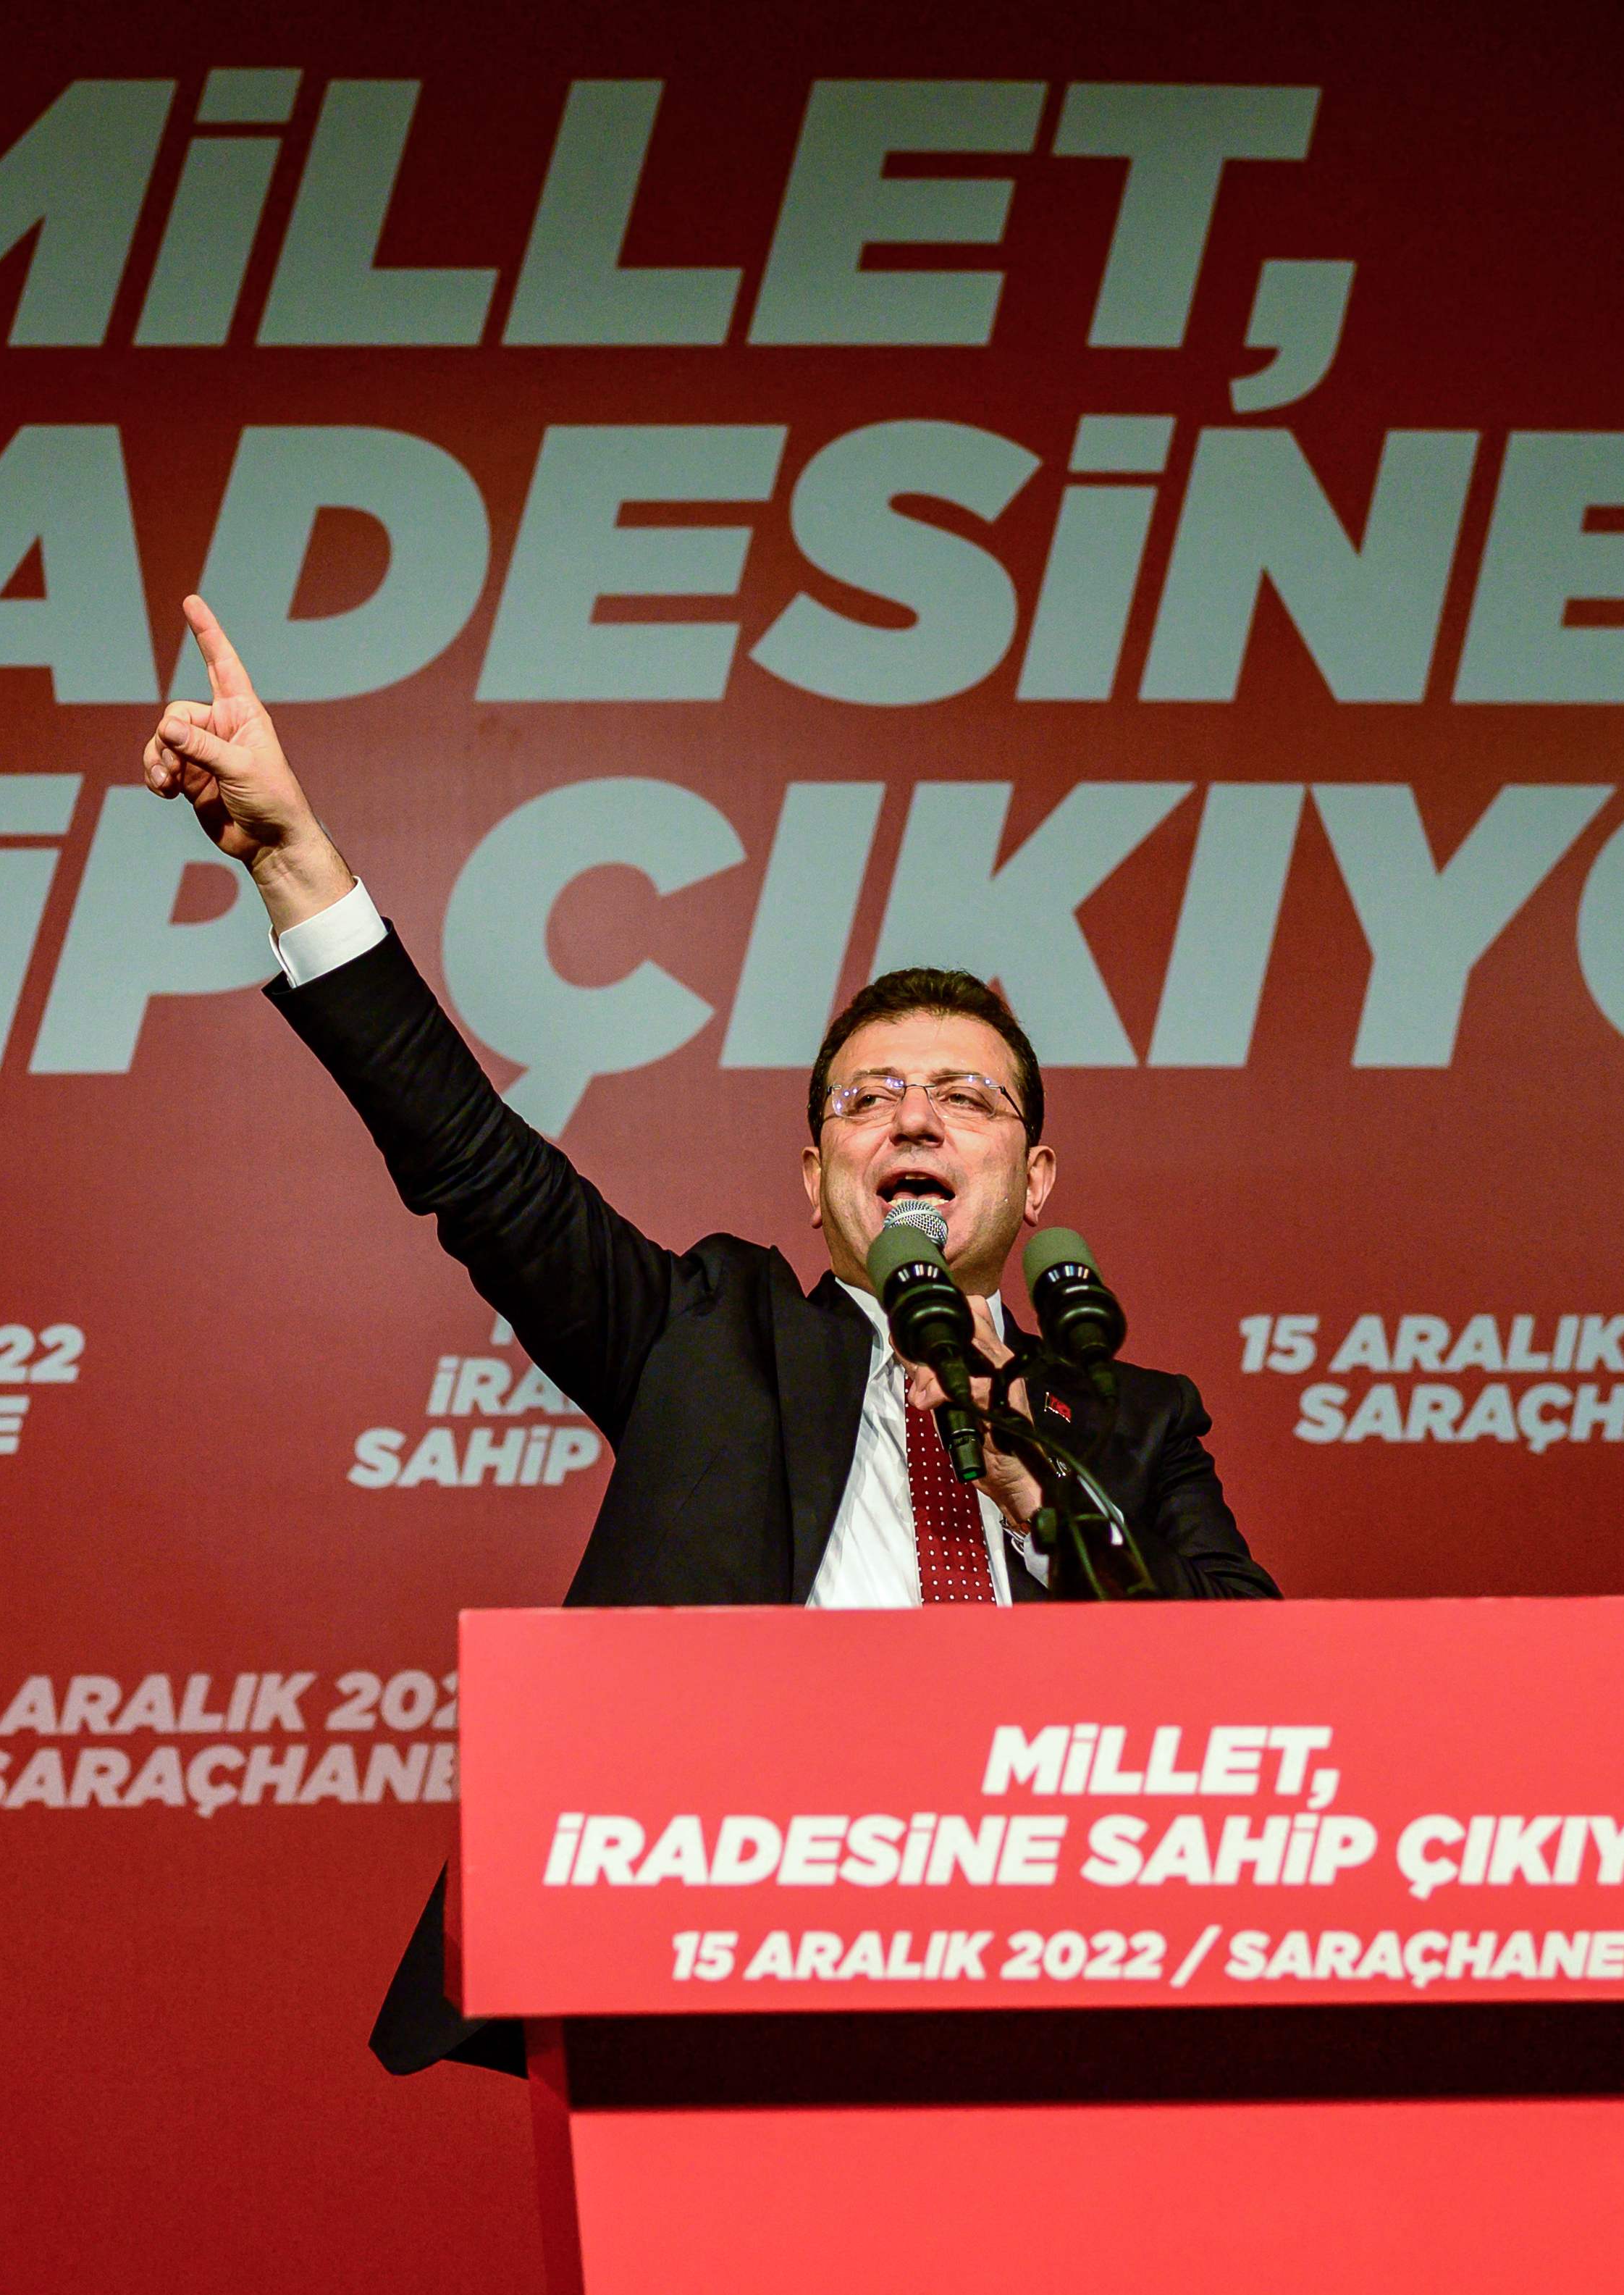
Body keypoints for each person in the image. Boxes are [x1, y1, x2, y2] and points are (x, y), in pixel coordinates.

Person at [137, 596, 1277, 2074]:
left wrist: (1043, 1505)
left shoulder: (1131, 1418)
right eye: (866, 1098)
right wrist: (297, 862)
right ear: (813, 1185)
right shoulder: (707, 1340)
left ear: (1034, 1178)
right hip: (746, 1969)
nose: (913, 1116)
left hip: (1062, 1977)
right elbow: (478, 1164)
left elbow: (1259, 1683)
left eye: (964, 1094)